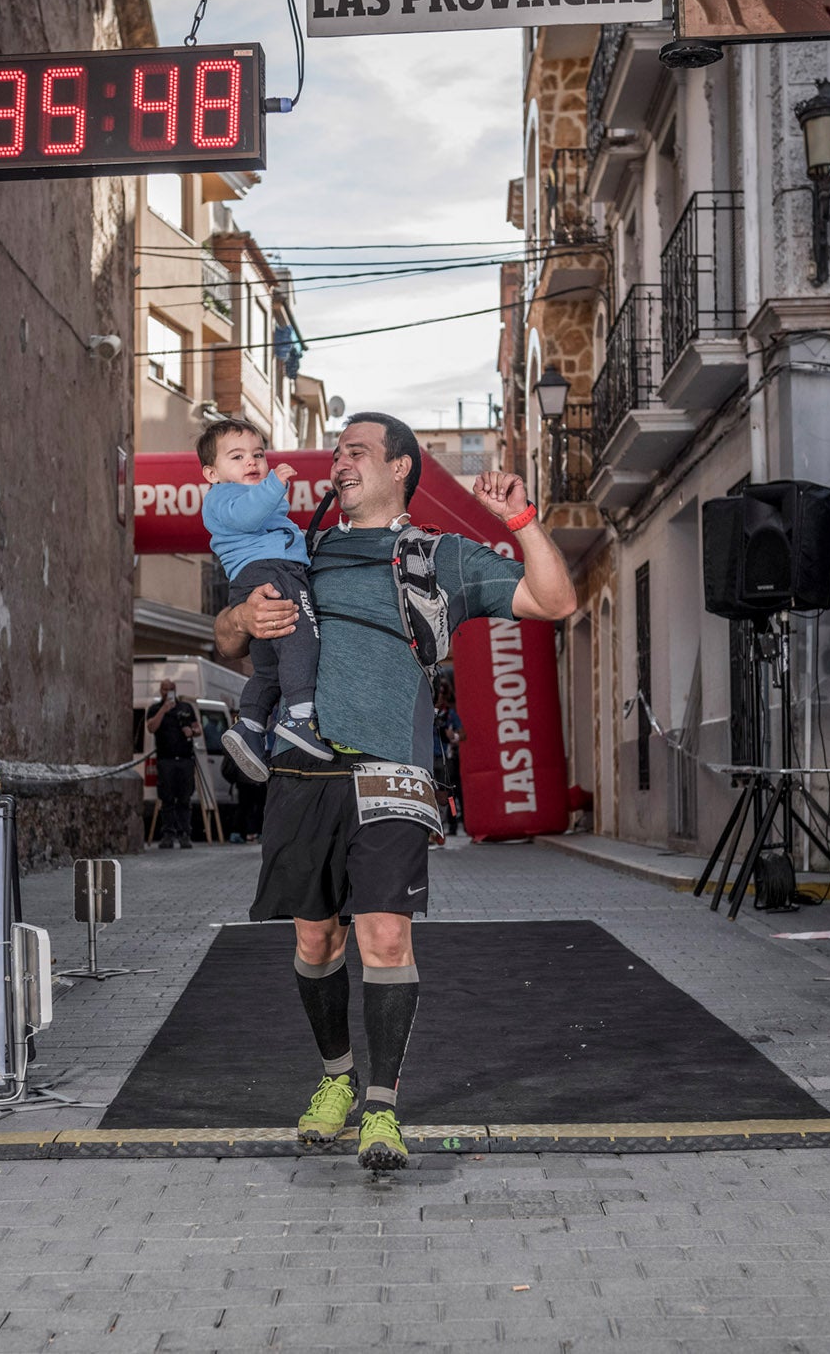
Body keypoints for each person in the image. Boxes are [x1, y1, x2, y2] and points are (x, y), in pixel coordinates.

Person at [212, 412, 576, 1171]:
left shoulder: (437, 557)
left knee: (383, 936)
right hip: (299, 769)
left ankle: (382, 1108)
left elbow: (552, 602)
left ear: (402, 466)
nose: (340, 462)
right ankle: (336, 1078)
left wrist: (522, 522)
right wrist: (243, 616)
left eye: (358, 452)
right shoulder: (299, 546)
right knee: (316, 939)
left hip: (391, 770)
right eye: (338, 451)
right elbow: (225, 638)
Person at [196, 418, 330, 779]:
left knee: (269, 668)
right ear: (212, 473)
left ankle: (251, 726)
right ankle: (300, 718)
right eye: (237, 457)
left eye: (258, 454)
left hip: (253, 579)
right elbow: (247, 516)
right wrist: (274, 485)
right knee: (303, 638)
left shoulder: (244, 495)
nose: (252, 462)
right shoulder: (226, 496)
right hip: (274, 574)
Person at [144, 677, 200, 849]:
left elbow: (198, 729)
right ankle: (168, 834)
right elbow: (151, 728)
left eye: (170, 689)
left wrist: (191, 731)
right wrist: (164, 709)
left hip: (184, 759)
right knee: (166, 799)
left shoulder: (186, 708)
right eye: (164, 689)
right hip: (165, 760)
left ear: (175, 690)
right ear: (160, 691)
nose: (167, 692)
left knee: (184, 798)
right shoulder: (154, 708)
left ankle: (185, 834)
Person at [431, 678, 463, 839]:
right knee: (431, 793)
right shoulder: (426, 712)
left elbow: (462, 734)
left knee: (449, 794)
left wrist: (454, 736)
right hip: (429, 759)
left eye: (442, 695)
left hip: (446, 759)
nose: (439, 698)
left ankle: (453, 823)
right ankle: (434, 827)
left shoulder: (449, 714)